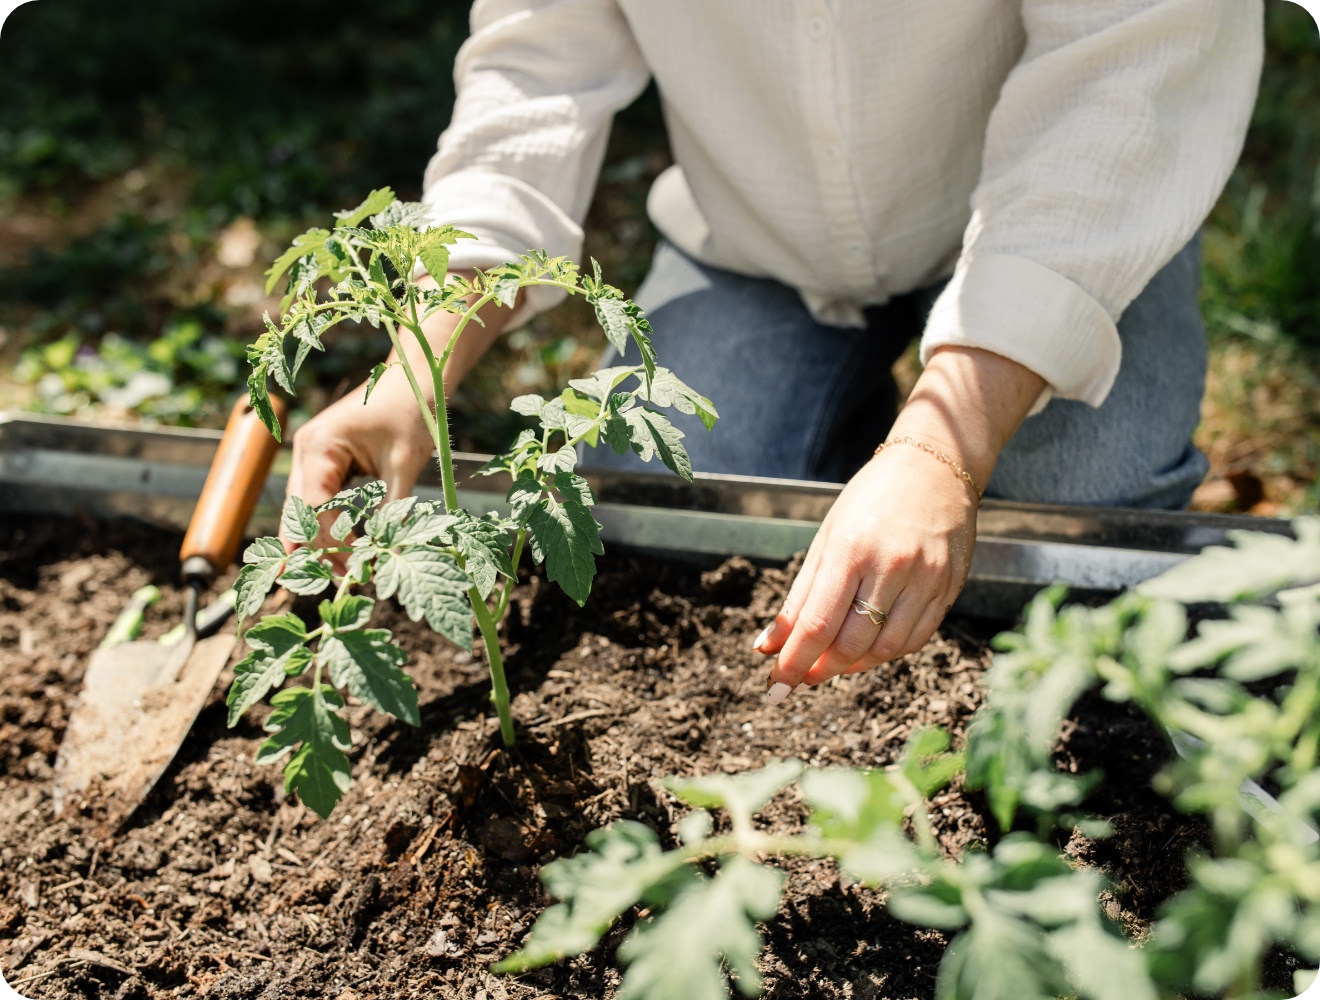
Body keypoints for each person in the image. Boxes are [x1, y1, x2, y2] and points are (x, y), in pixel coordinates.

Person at [285, 1, 1264, 703]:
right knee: (652, 523)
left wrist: (944, 450)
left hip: (1059, 218)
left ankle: (917, 453)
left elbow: (1126, 75)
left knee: (1073, 536)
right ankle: (864, 480)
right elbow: (534, 68)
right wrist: (417, 366)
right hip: (758, 242)